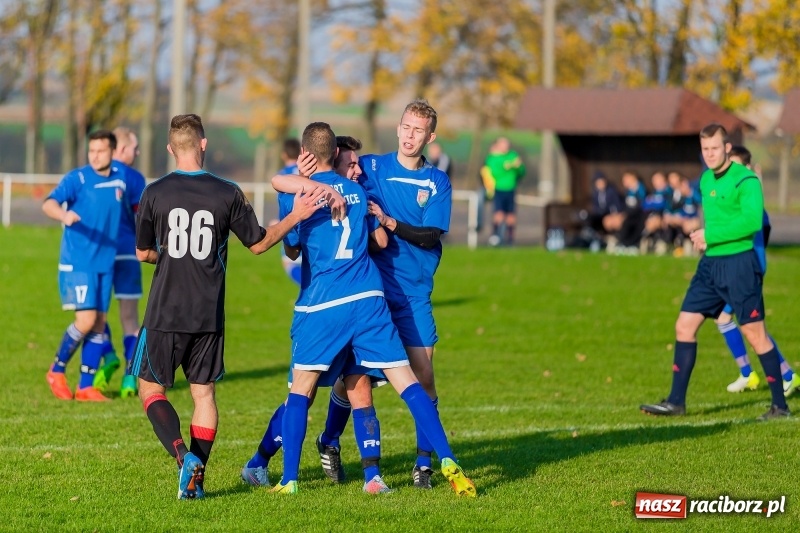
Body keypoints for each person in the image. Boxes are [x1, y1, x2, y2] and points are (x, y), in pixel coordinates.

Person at [267, 121, 475, 497]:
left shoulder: (301, 192)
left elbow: (291, 245)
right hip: (369, 299)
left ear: (309, 155)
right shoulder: (359, 193)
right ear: (337, 155)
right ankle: (446, 460)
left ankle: (290, 480)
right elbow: (378, 241)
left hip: (324, 301)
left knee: (302, 390)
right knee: (408, 382)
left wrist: (303, 191)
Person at [131, 114, 329, 500]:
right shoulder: (228, 192)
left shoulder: (155, 193)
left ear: (172, 149)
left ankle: (182, 455)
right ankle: (197, 482)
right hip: (208, 313)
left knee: (151, 389)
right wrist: (296, 215)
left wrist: (168, 257)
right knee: (203, 396)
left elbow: (143, 252)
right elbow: (258, 243)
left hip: (165, 311)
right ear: (203, 144)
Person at [242, 134, 396, 494]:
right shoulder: (305, 192)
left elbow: (298, 247)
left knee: (359, 386)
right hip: (321, 307)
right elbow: (294, 248)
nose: (357, 169)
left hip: (356, 306)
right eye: (351, 164)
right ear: (334, 163)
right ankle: (259, 462)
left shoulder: (353, 193)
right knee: (303, 394)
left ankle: (365, 469)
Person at [640, 123, 790, 420]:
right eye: (705, 149)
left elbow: (751, 223)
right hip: (710, 266)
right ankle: (676, 402)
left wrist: (711, 234)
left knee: (756, 335)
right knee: (684, 326)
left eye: (715, 148)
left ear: (727, 148)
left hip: (739, 266)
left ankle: (779, 406)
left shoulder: (746, 180)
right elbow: (716, 224)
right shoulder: (706, 179)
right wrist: (702, 237)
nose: (709, 154)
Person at [719, 145, 799, 395]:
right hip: (738, 270)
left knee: (751, 328)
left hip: (748, 272)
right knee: (737, 322)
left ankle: (782, 375)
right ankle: (752, 374)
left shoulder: (751, 201)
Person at [91, 127, 148, 398]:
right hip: (128, 252)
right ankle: (129, 376)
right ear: (123, 149)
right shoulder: (136, 179)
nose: (137, 153)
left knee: (93, 314)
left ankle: (109, 355)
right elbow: (142, 221)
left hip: (100, 252)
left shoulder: (94, 175)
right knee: (130, 317)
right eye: (135, 149)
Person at [483, 137, 525, 246]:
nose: (505, 146)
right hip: (499, 189)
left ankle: (510, 239)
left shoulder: (513, 155)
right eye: (503, 144)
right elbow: (495, 173)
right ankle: (495, 236)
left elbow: (521, 171)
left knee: (511, 215)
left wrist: (518, 167)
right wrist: (509, 166)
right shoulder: (493, 158)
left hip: (511, 189)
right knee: (499, 213)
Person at [580, 171, 623, 250]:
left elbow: (616, 206)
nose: (600, 184)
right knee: (589, 218)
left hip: (610, 215)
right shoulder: (596, 193)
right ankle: (591, 237)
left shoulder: (611, 191)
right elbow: (596, 207)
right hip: (600, 215)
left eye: (601, 181)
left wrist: (614, 216)